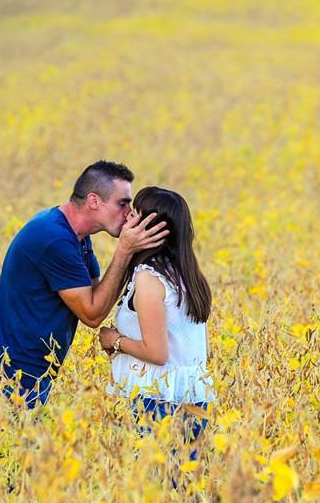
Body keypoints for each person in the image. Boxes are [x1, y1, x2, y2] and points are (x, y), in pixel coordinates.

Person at [0, 160, 169, 408]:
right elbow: (92, 315)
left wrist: (130, 253)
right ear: (93, 201)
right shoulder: (53, 239)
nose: (129, 213)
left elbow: (98, 297)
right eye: (122, 203)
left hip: (29, 373)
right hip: (11, 375)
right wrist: (125, 251)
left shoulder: (76, 237)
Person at [98, 186, 214, 456]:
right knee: (182, 485)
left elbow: (157, 353)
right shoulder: (188, 276)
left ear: (151, 228)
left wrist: (114, 341)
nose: (127, 218)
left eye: (134, 215)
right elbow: (202, 351)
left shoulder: (150, 278)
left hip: (154, 400)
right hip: (193, 398)